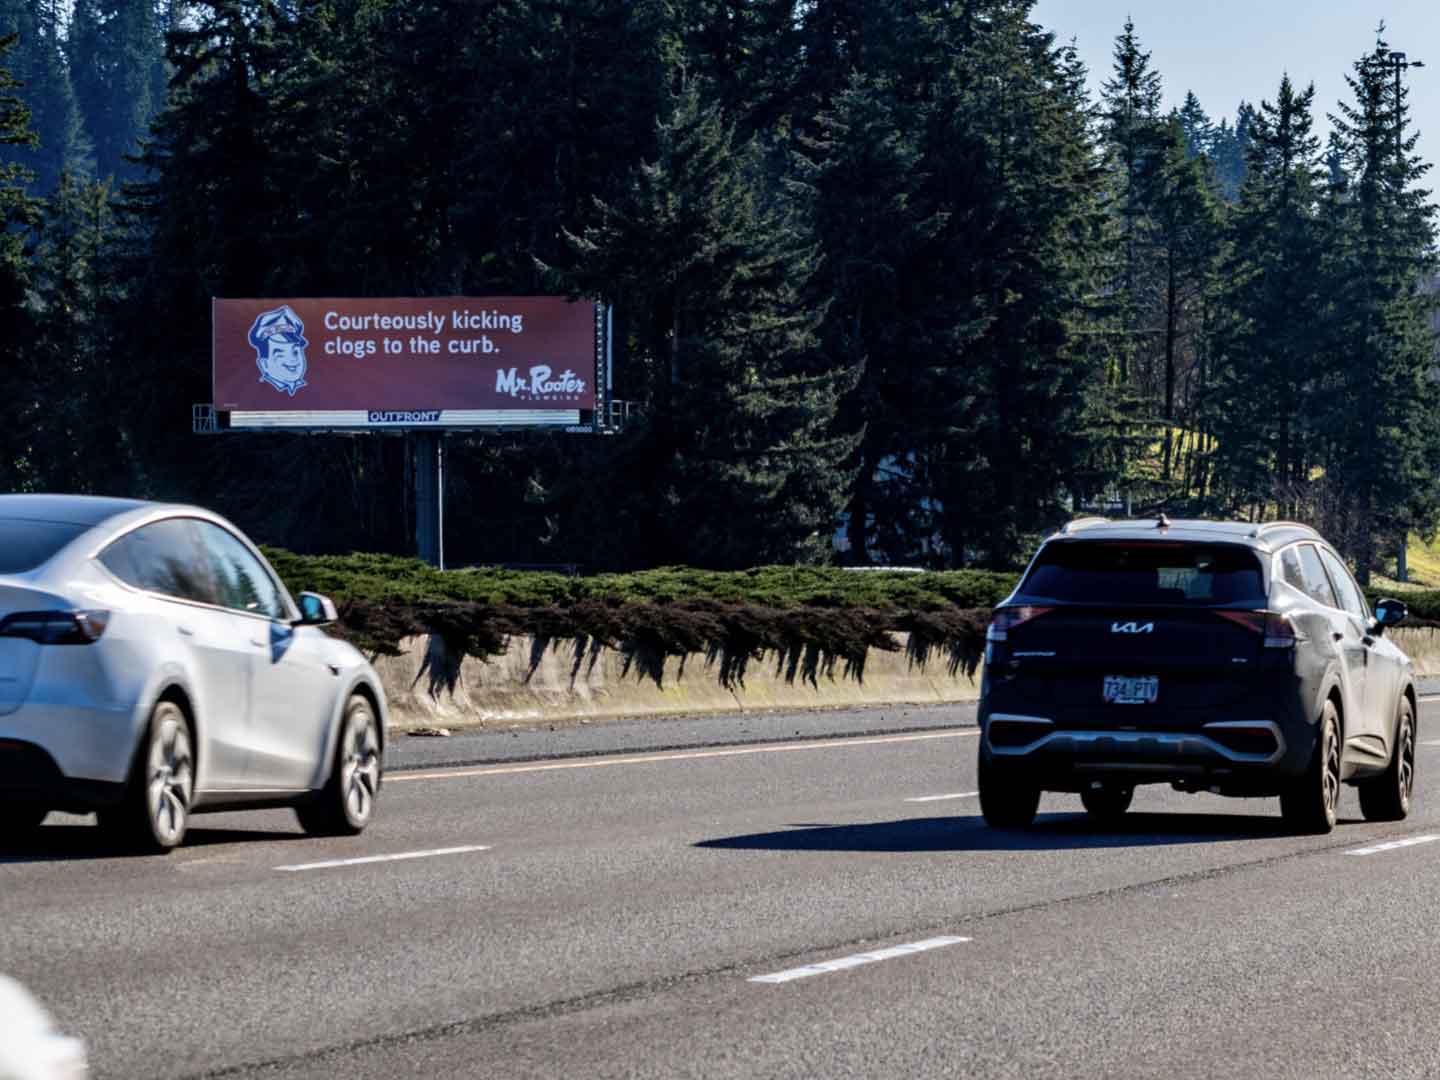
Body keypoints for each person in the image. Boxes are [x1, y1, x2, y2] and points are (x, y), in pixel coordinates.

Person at [247, 304, 309, 396]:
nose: (292, 358)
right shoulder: (260, 393)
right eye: (281, 354)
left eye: (295, 351)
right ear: (264, 364)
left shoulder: (306, 388)